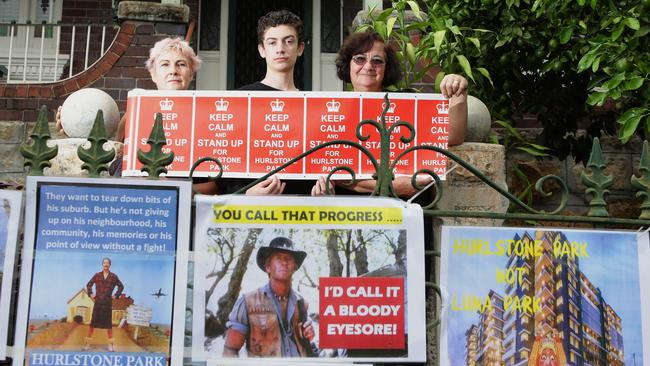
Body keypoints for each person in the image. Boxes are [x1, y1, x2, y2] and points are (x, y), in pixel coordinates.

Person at [317, 31, 468, 197]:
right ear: (348, 64)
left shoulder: (409, 102)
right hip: (353, 210)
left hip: (407, 208)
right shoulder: (330, 111)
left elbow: (453, 135)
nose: (368, 66)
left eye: (377, 61)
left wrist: (458, 90)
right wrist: (392, 185)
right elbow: (322, 167)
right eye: (359, 59)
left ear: (387, 68)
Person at [223, 237, 315, 357]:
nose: (284, 262)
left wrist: (309, 335)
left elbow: (307, 347)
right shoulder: (247, 302)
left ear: (295, 267)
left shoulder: (302, 303)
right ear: (268, 267)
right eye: (278, 258)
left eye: (288, 258)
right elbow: (230, 350)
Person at [84, 257, 124, 352]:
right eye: (104, 263)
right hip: (98, 303)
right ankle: (87, 344)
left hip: (107, 303)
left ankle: (110, 345)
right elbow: (89, 284)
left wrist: (116, 295)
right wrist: (91, 294)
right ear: (102, 265)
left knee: (109, 326)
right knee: (92, 324)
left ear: (110, 265)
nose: (106, 264)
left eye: (107, 263)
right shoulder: (97, 275)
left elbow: (121, 286)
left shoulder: (113, 276)